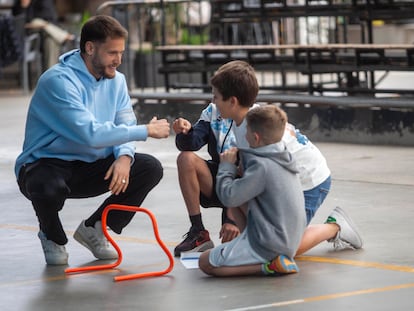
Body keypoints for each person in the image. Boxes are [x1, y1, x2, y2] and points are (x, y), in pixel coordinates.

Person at [14, 15, 170, 266]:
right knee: (47, 185)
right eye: (112, 53)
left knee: (148, 168)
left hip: (90, 166)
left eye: (121, 52)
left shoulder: (116, 80)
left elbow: (125, 123)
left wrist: (124, 157)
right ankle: (51, 235)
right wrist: (146, 131)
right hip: (46, 166)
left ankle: (96, 229)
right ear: (89, 48)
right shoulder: (58, 82)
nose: (118, 60)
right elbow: (90, 133)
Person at [173, 60, 362, 259]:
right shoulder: (239, 121)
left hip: (309, 181)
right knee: (261, 243)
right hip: (275, 181)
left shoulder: (254, 130)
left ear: (233, 101)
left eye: (216, 97)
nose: (213, 101)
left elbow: (250, 179)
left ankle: (335, 226)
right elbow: (243, 176)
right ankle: (202, 232)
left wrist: (231, 220)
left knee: (283, 249)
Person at [198, 105, 306, 276]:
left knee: (205, 262)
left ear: (255, 138)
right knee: (240, 190)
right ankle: (252, 245)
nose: (243, 136)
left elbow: (228, 198)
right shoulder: (283, 156)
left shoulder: (261, 166)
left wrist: (226, 167)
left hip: (269, 245)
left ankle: (270, 266)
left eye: (246, 131)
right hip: (289, 240)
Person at [12, 0, 75, 68]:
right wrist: (23, 6)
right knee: (37, 22)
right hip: (31, 38)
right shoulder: (19, 2)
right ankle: (64, 36)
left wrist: (43, 24)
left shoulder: (44, 2)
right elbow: (18, 22)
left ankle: (51, 76)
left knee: (50, 42)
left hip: (47, 35)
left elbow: (51, 19)